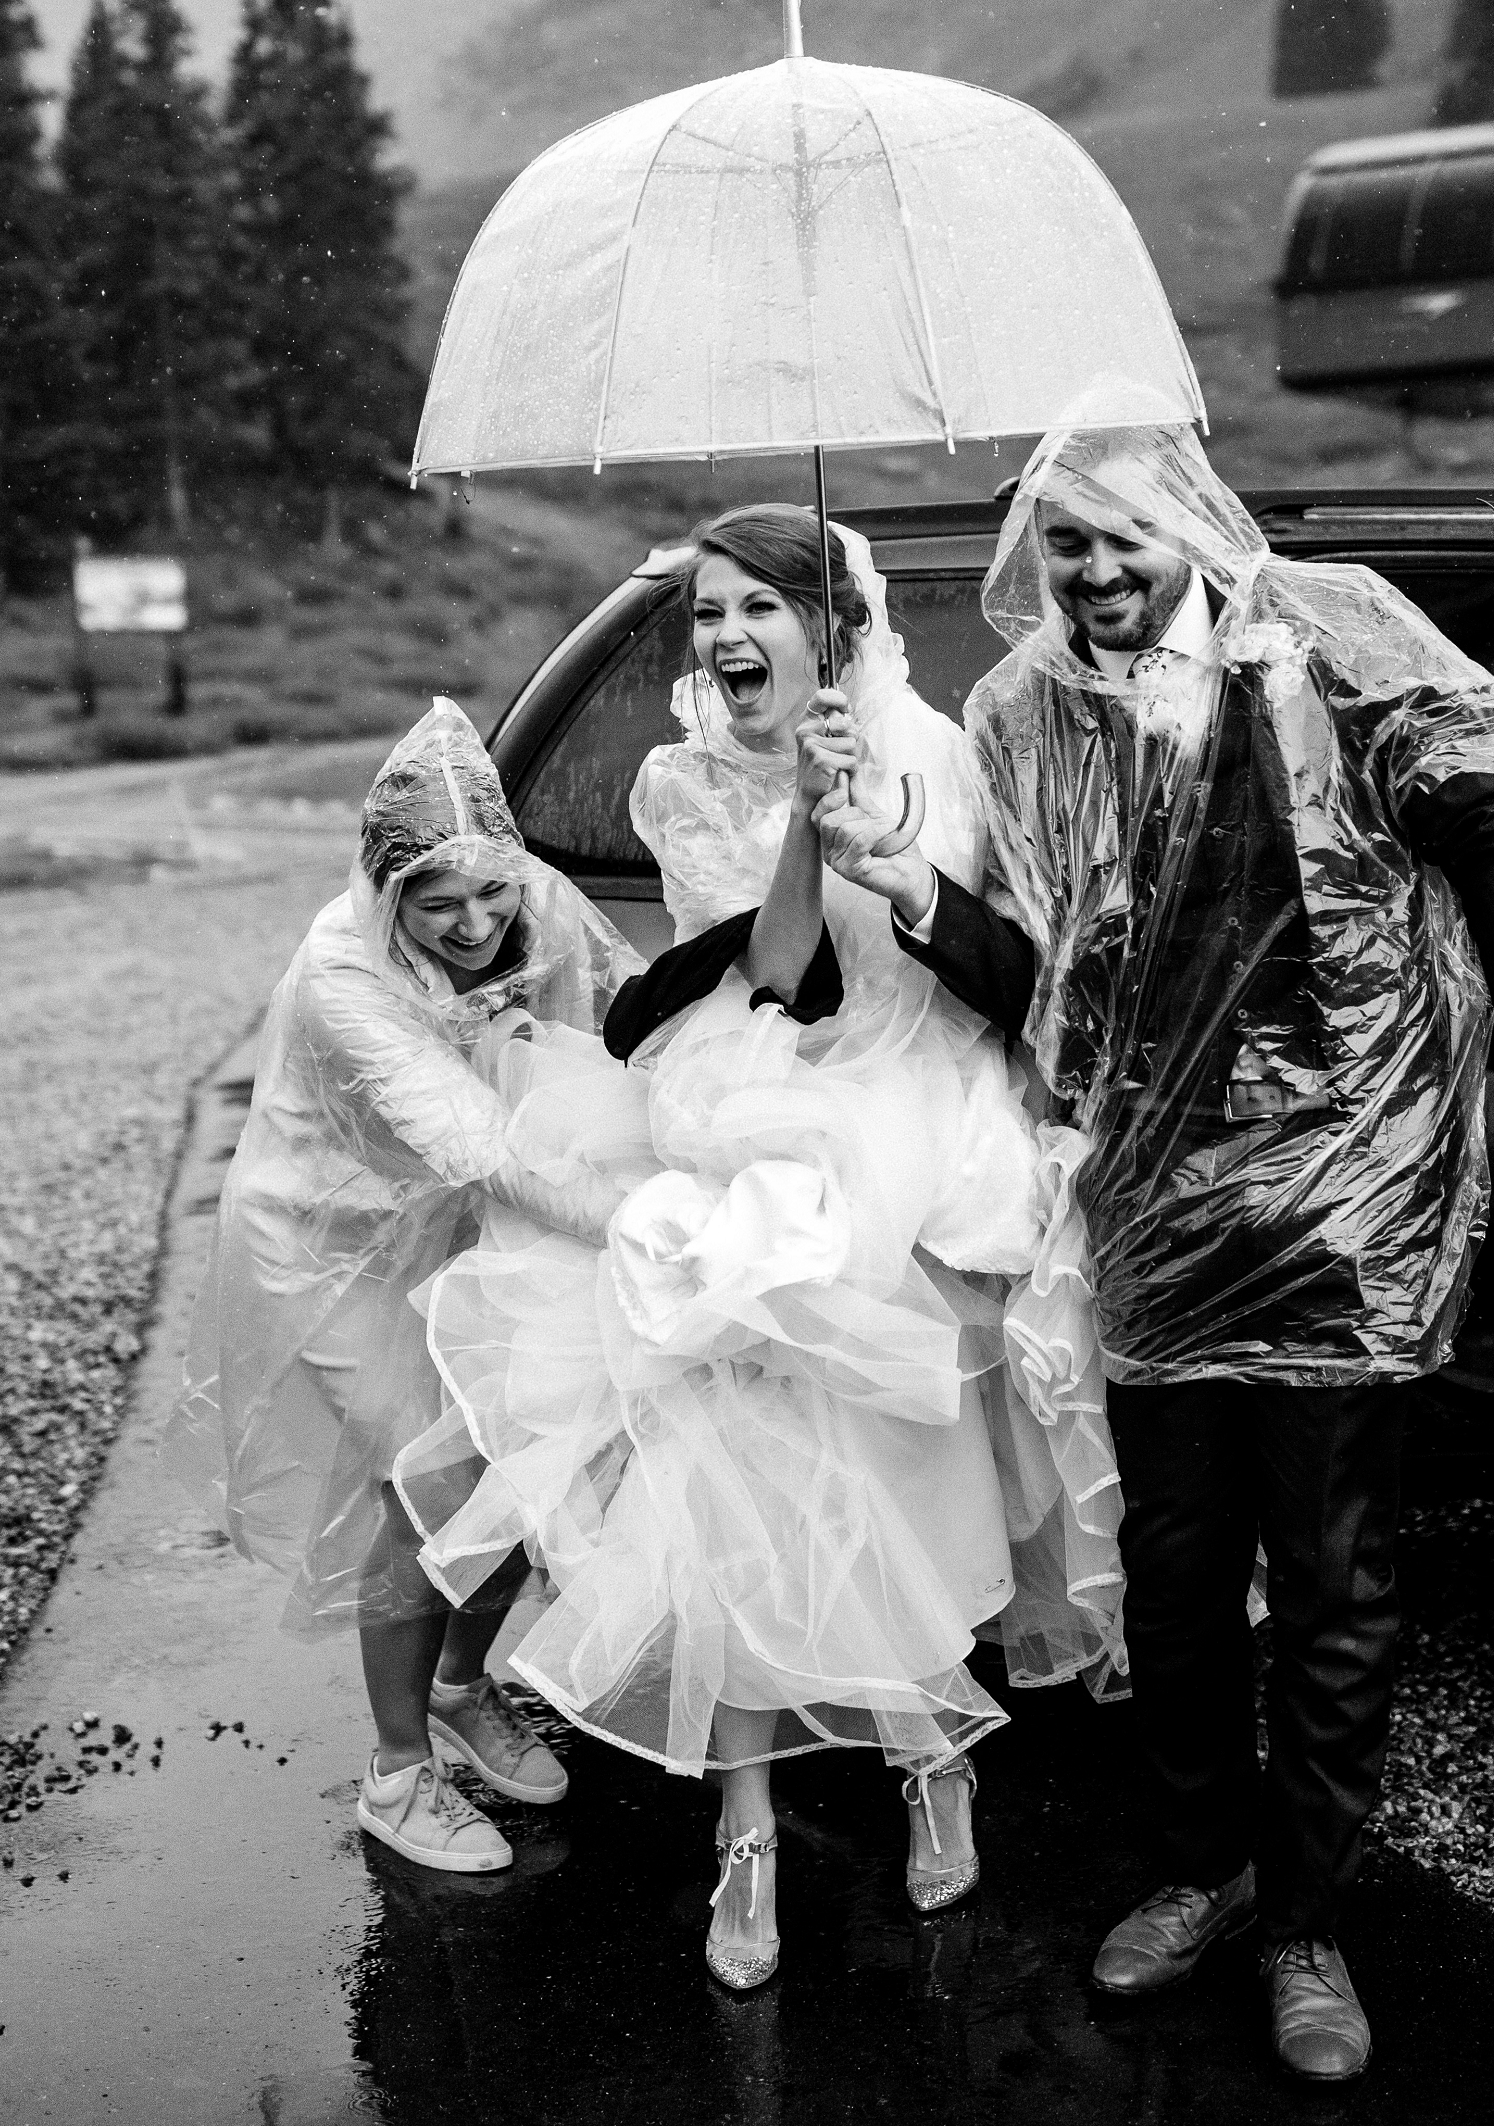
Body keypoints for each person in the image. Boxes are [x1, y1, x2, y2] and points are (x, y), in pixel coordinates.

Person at [812, 411, 1494, 2082]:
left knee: (1328, 1570)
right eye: (1072, 544)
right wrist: (897, 871)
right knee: (1172, 1575)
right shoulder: (1031, 712)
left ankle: (1306, 1916)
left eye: (1126, 537)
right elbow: (1043, 972)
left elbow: (1492, 834)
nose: (1096, 571)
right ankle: (1201, 1865)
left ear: (1197, 528)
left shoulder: (1328, 635)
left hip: (1341, 1181)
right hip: (1159, 1202)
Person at [405, 505, 1123, 1993]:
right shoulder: (678, 775)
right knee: (713, 1454)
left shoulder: (935, 748)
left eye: (760, 611)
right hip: (744, 1094)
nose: (728, 639)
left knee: (865, 1458)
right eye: (710, 614)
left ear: (833, 626)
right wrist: (801, 818)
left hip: (909, 1109)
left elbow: (1002, 981)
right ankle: (745, 1823)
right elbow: (773, 970)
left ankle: (930, 1749)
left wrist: (869, 817)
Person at [159, 699, 640, 1875]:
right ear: (386, 898)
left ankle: (461, 1687)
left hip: (451, 1221)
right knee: (427, 1482)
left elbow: (631, 1011)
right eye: (439, 903)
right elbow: (492, 1148)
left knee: (523, 1445)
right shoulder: (342, 974)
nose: (477, 923)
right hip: (329, 1243)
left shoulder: (524, 904)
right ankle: (393, 1769)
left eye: (492, 892)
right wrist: (653, 1221)